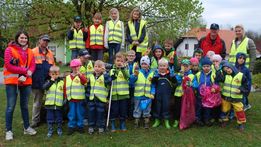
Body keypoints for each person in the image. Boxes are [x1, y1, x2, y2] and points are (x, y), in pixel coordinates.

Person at [4, 31, 37, 140]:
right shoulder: (9, 49)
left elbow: (33, 65)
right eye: (21, 38)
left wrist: (29, 72)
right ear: (17, 38)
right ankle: (8, 131)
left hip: (26, 81)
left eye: (25, 38)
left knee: (24, 106)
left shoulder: (30, 52)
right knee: (10, 106)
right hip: (12, 81)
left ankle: (27, 128)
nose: (24, 40)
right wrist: (25, 70)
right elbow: (9, 65)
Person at [31, 34, 55, 128]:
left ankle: (48, 118)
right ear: (39, 40)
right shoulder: (33, 52)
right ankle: (35, 121)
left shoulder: (50, 53)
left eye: (47, 41)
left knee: (50, 100)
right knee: (37, 102)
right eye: (44, 40)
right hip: (37, 81)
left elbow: (53, 67)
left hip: (48, 81)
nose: (45, 42)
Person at [219, 63, 248, 131]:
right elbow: (218, 79)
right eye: (225, 69)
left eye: (228, 68)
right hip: (226, 97)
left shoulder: (241, 75)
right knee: (224, 109)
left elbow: (246, 85)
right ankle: (224, 120)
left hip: (236, 98)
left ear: (232, 67)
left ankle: (241, 124)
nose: (227, 70)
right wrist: (218, 70)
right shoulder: (225, 76)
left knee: (239, 110)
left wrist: (241, 90)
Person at [129, 56, 155, 129]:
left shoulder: (152, 73)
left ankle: (146, 121)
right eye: (142, 64)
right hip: (138, 95)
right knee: (137, 109)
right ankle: (136, 121)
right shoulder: (137, 72)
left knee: (147, 109)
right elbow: (131, 82)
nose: (144, 65)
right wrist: (134, 76)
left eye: (145, 64)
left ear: (148, 65)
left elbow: (153, 85)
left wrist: (152, 93)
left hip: (148, 96)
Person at [87, 60, 112, 134]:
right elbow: (88, 87)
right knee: (91, 113)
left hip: (101, 99)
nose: (97, 68)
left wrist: (105, 73)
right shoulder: (91, 76)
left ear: (103, 68)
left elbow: (109, 82)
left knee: (100, 113)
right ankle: (91, 126)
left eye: (99, 67)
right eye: (96, 66)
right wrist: (87, 97)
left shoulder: (105, 76)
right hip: (92, 98)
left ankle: (101, 126)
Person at [64, 59, 87, 135]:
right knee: (72, 113)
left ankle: (80, 126)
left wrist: (80, 75)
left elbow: (84, 82)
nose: (75, 68)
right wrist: (65, 96)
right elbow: (65, 87)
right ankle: (71, 126)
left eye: (77, 66)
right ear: (71, 67)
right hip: (71, 99)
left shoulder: (81, 75)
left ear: (80, 67)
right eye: (74, 67)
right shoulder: (67, 77)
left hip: (79, 99)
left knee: (80, 113)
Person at [152, 58, 176, 129]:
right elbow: (153, 83)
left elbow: (175, 83)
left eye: (164, 66)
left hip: (167, 95)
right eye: (160, 66)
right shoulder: (156, 75)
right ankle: (157, 120)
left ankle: (166, 120)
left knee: (166, 107)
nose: (162, 67)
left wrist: (173, 76)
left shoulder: (169, 75)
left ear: (167, 66)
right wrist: (155, 77)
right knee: (157, 107)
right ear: (158, 66)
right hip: (158, 95)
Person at [173, 59, 197, 128]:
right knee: (177, 107)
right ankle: (176, 120)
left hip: (187, 96)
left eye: (187, 66)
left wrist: (190, 84)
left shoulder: (192, 75)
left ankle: (185, 120)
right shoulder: (178, 74)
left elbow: (196, 84)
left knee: (186, 108)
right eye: (183, 66)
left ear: (190, 67)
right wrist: (180, 76)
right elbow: (176, 82)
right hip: (178, 94)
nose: (185, 67)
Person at [109, 52, 130, 132]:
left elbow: (128, 77)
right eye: (117, 61)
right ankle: (113, 123)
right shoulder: (112, 70)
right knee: (114, 110)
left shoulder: (126, 70)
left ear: (124, 62)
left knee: (123, 110)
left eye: (121, 61)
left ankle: (122, 123)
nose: (119, 63)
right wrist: (114, 75)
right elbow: (111, 78)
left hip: (123, 94)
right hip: (114, 94)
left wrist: (123, 69)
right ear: (114, 61)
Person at [42, 66, 64, 137]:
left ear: (59, 74)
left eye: (56, 74)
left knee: (59, 117)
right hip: (49, 104)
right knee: (50, 118)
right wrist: (51, 81)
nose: (54, 76)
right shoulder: (48, 82)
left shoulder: (62, 82)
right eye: (53, 74)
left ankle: (59, 129)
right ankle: (50, 130)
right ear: (50, 74)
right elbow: (44, 88)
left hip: (59, 104)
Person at [195, 57, 218, 126]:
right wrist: (196, 87)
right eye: (204, 66)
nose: (206, 68)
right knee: (199, 106)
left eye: (208, 66)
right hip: (200, 94)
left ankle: (206, 119)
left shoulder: (213, 74)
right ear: (201, 67)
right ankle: (198, 119)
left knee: (207, 107)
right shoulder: (198, 74)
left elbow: (215, 83)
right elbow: (195, 82)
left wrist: (214, 88)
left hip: (209, 95)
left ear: (210, 67)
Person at [126, 50, 138, 118]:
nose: (131, 57)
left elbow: (136, 75)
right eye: (129, 55)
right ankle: (126, 114)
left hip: (134, 86)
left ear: (135, 57)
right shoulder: (124, 64)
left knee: (132, 101)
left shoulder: (136, 65)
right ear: (127, 56)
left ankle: (131, 115)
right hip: (126, 86)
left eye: (132, 56)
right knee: (126, 101)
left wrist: (132, 77)